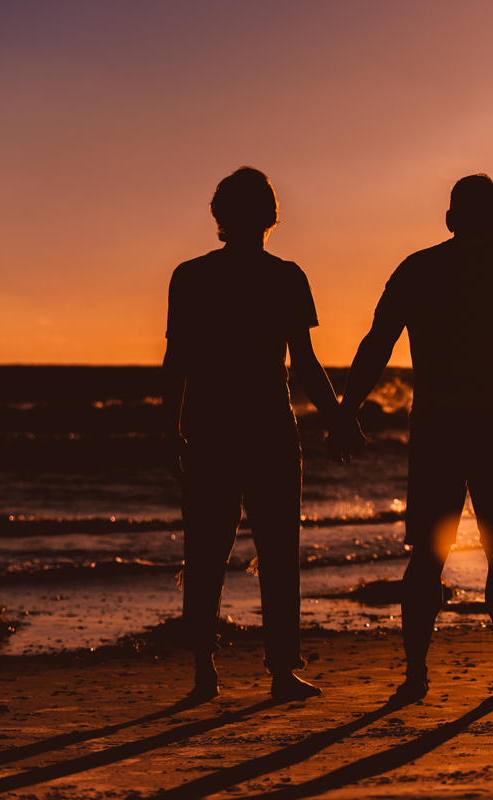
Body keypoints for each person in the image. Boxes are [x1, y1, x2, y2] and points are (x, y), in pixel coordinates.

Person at [332, 174, 493, 704]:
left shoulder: (418, 268)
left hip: (436, 426)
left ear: (450, 220)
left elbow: (376, 343)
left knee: (427, 553)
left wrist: (347, 409)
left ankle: (416, 674)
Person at [163, 167, 341, 701]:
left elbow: (177, 363)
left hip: (215, 429)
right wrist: (336, 415)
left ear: (221, 216)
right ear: (270, 215)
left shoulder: (191, 276)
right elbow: (305, 365)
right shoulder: (286, 276)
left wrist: (168, 429)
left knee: (206, 551)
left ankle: (205, 673)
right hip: (267, 429)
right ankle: (280, 671)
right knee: (278, 552)